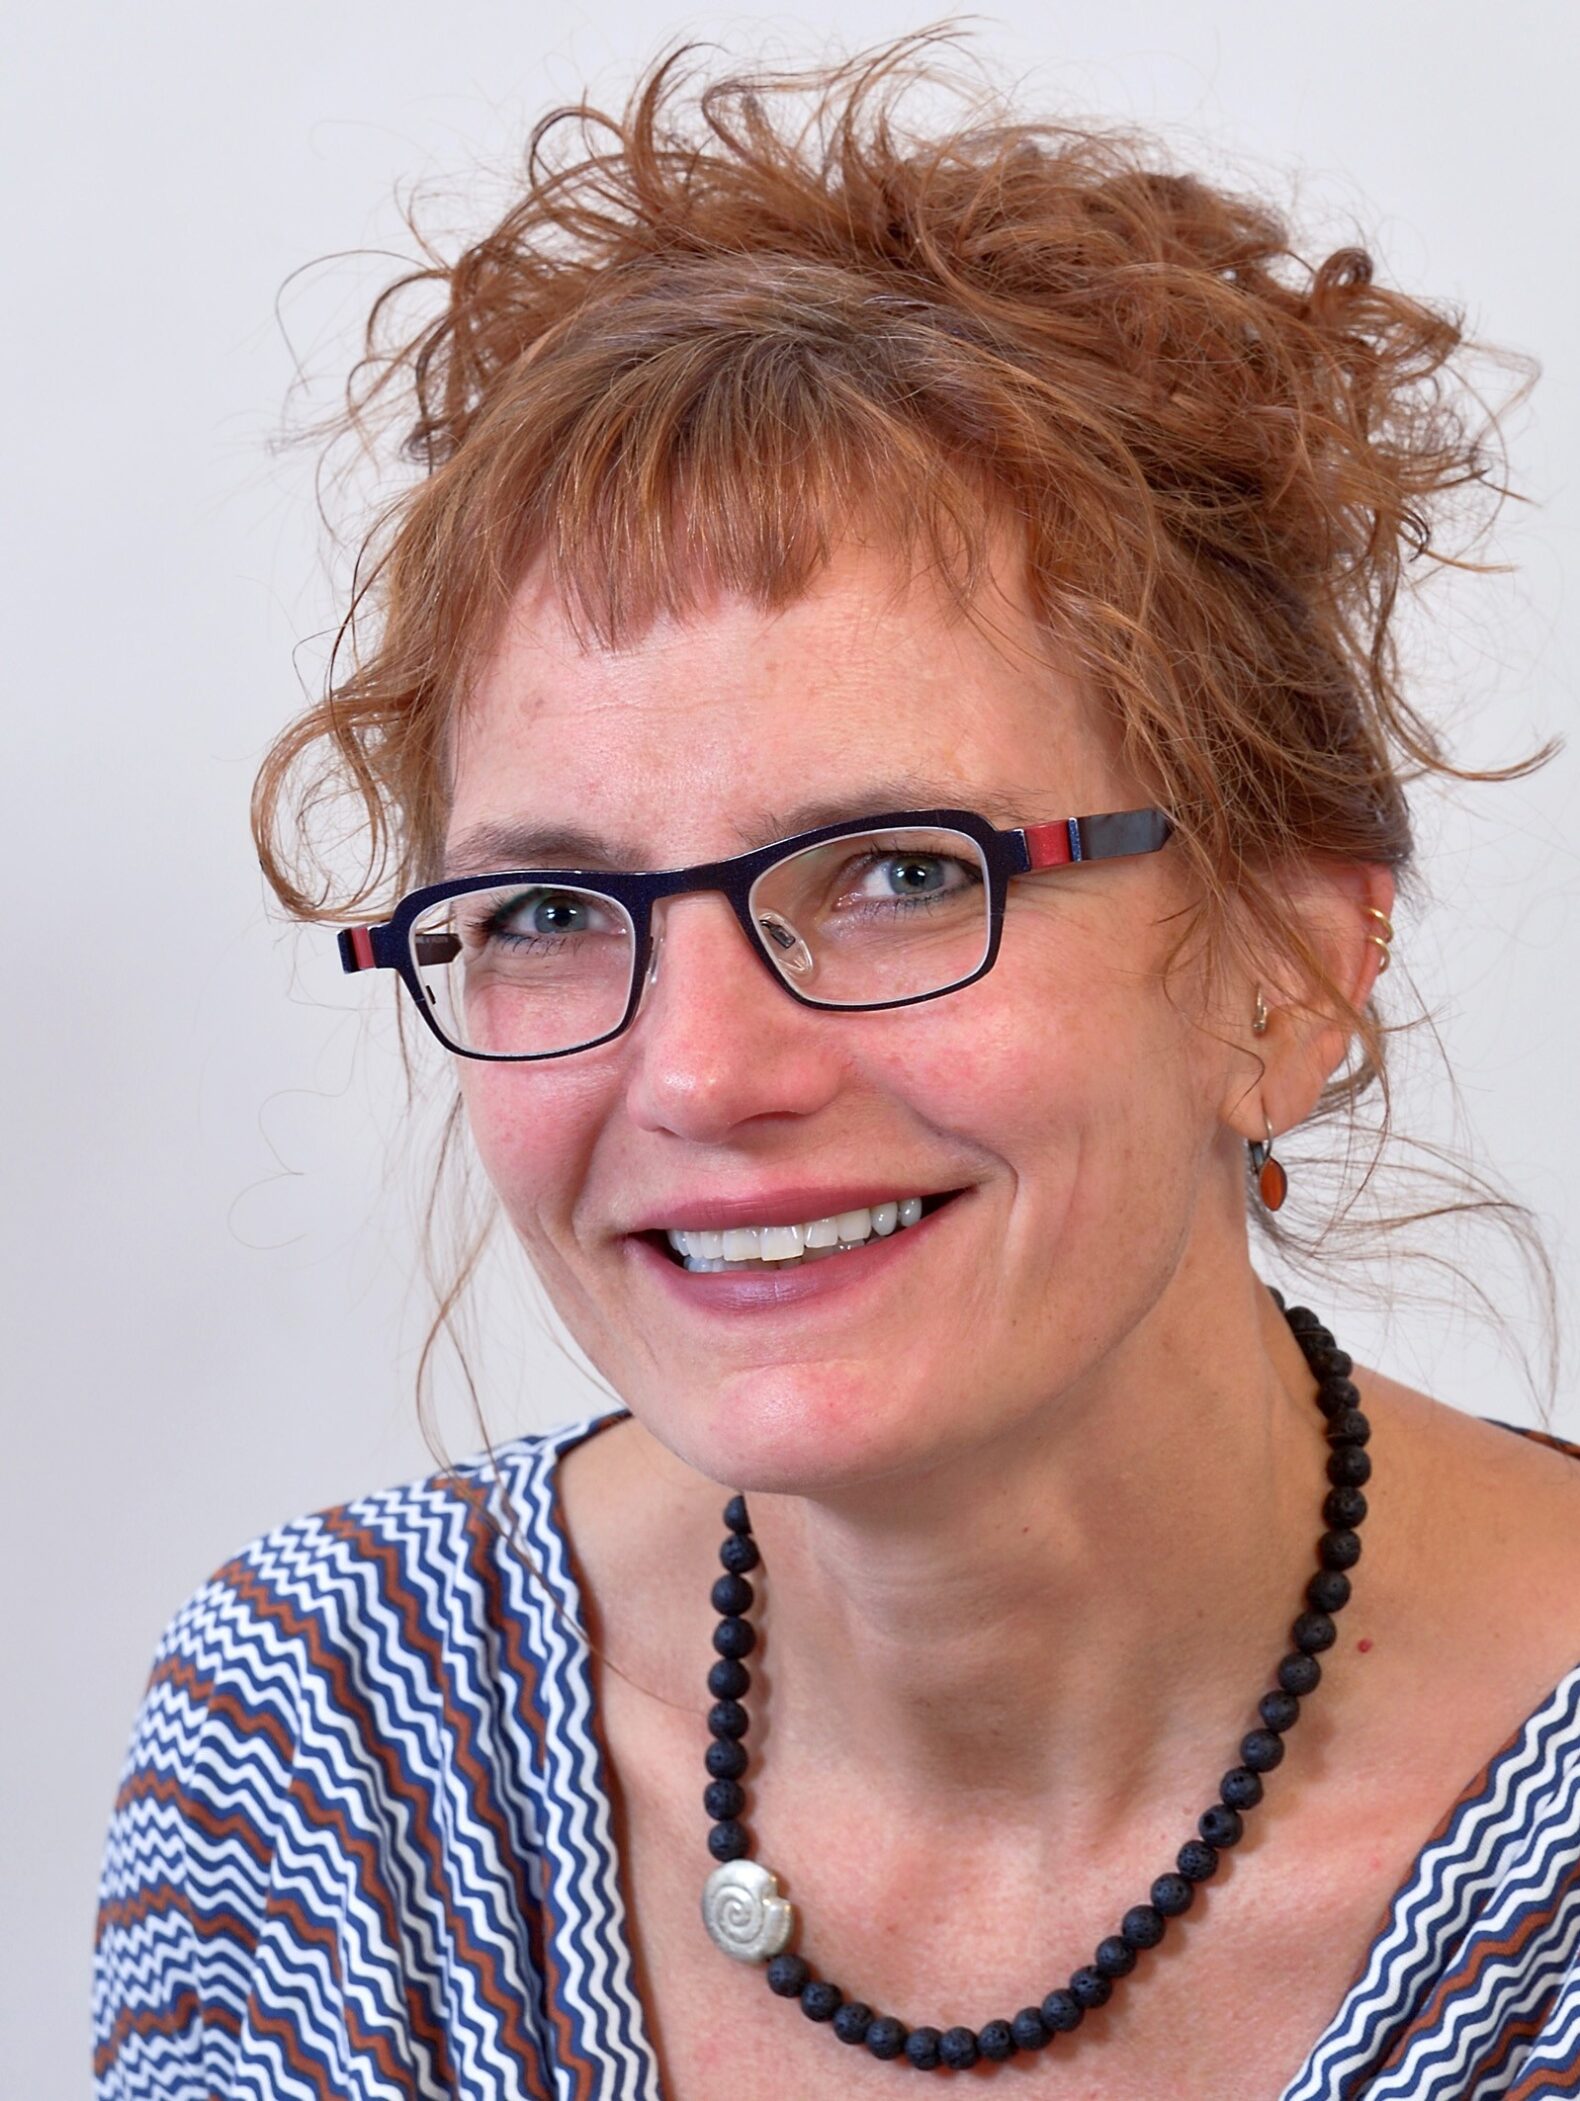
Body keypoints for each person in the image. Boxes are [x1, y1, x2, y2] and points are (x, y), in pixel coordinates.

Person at [93, 33, 1580, 2099]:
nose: (702, 1073)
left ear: (1291, 970)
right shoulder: (321, 1763)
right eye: (550, 908)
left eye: (897, 872)